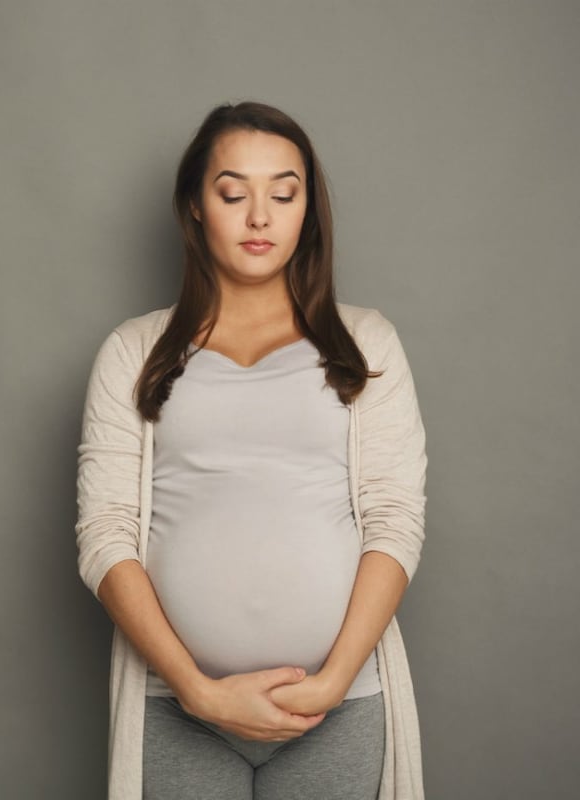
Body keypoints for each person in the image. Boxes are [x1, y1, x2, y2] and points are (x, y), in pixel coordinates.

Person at [75, 101, 427, 800]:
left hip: (341, 706)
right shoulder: (133, 352)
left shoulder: (367, 345)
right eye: (233, 192)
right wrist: (196, 690)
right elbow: (104, 534)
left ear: (308, 211)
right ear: (197, 207)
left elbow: (395, 519)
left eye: (283, 193)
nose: (259, 216)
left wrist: (330, 681)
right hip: (175, 710)